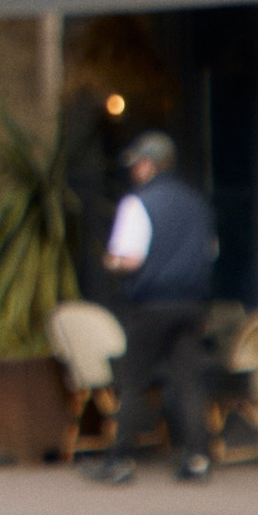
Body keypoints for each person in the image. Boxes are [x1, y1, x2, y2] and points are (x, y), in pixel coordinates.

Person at [88, 130, 218, 486]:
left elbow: (130, 258)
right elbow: (210, 252)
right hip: (191, 304)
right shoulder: (196, 203)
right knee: (189, 381)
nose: (134, 170)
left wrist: (110, 261)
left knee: (133, 383)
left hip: (151, 304)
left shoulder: (138, 203)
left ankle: (119, 461)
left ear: (149, 165)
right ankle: (198, 458)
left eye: (137, 164)